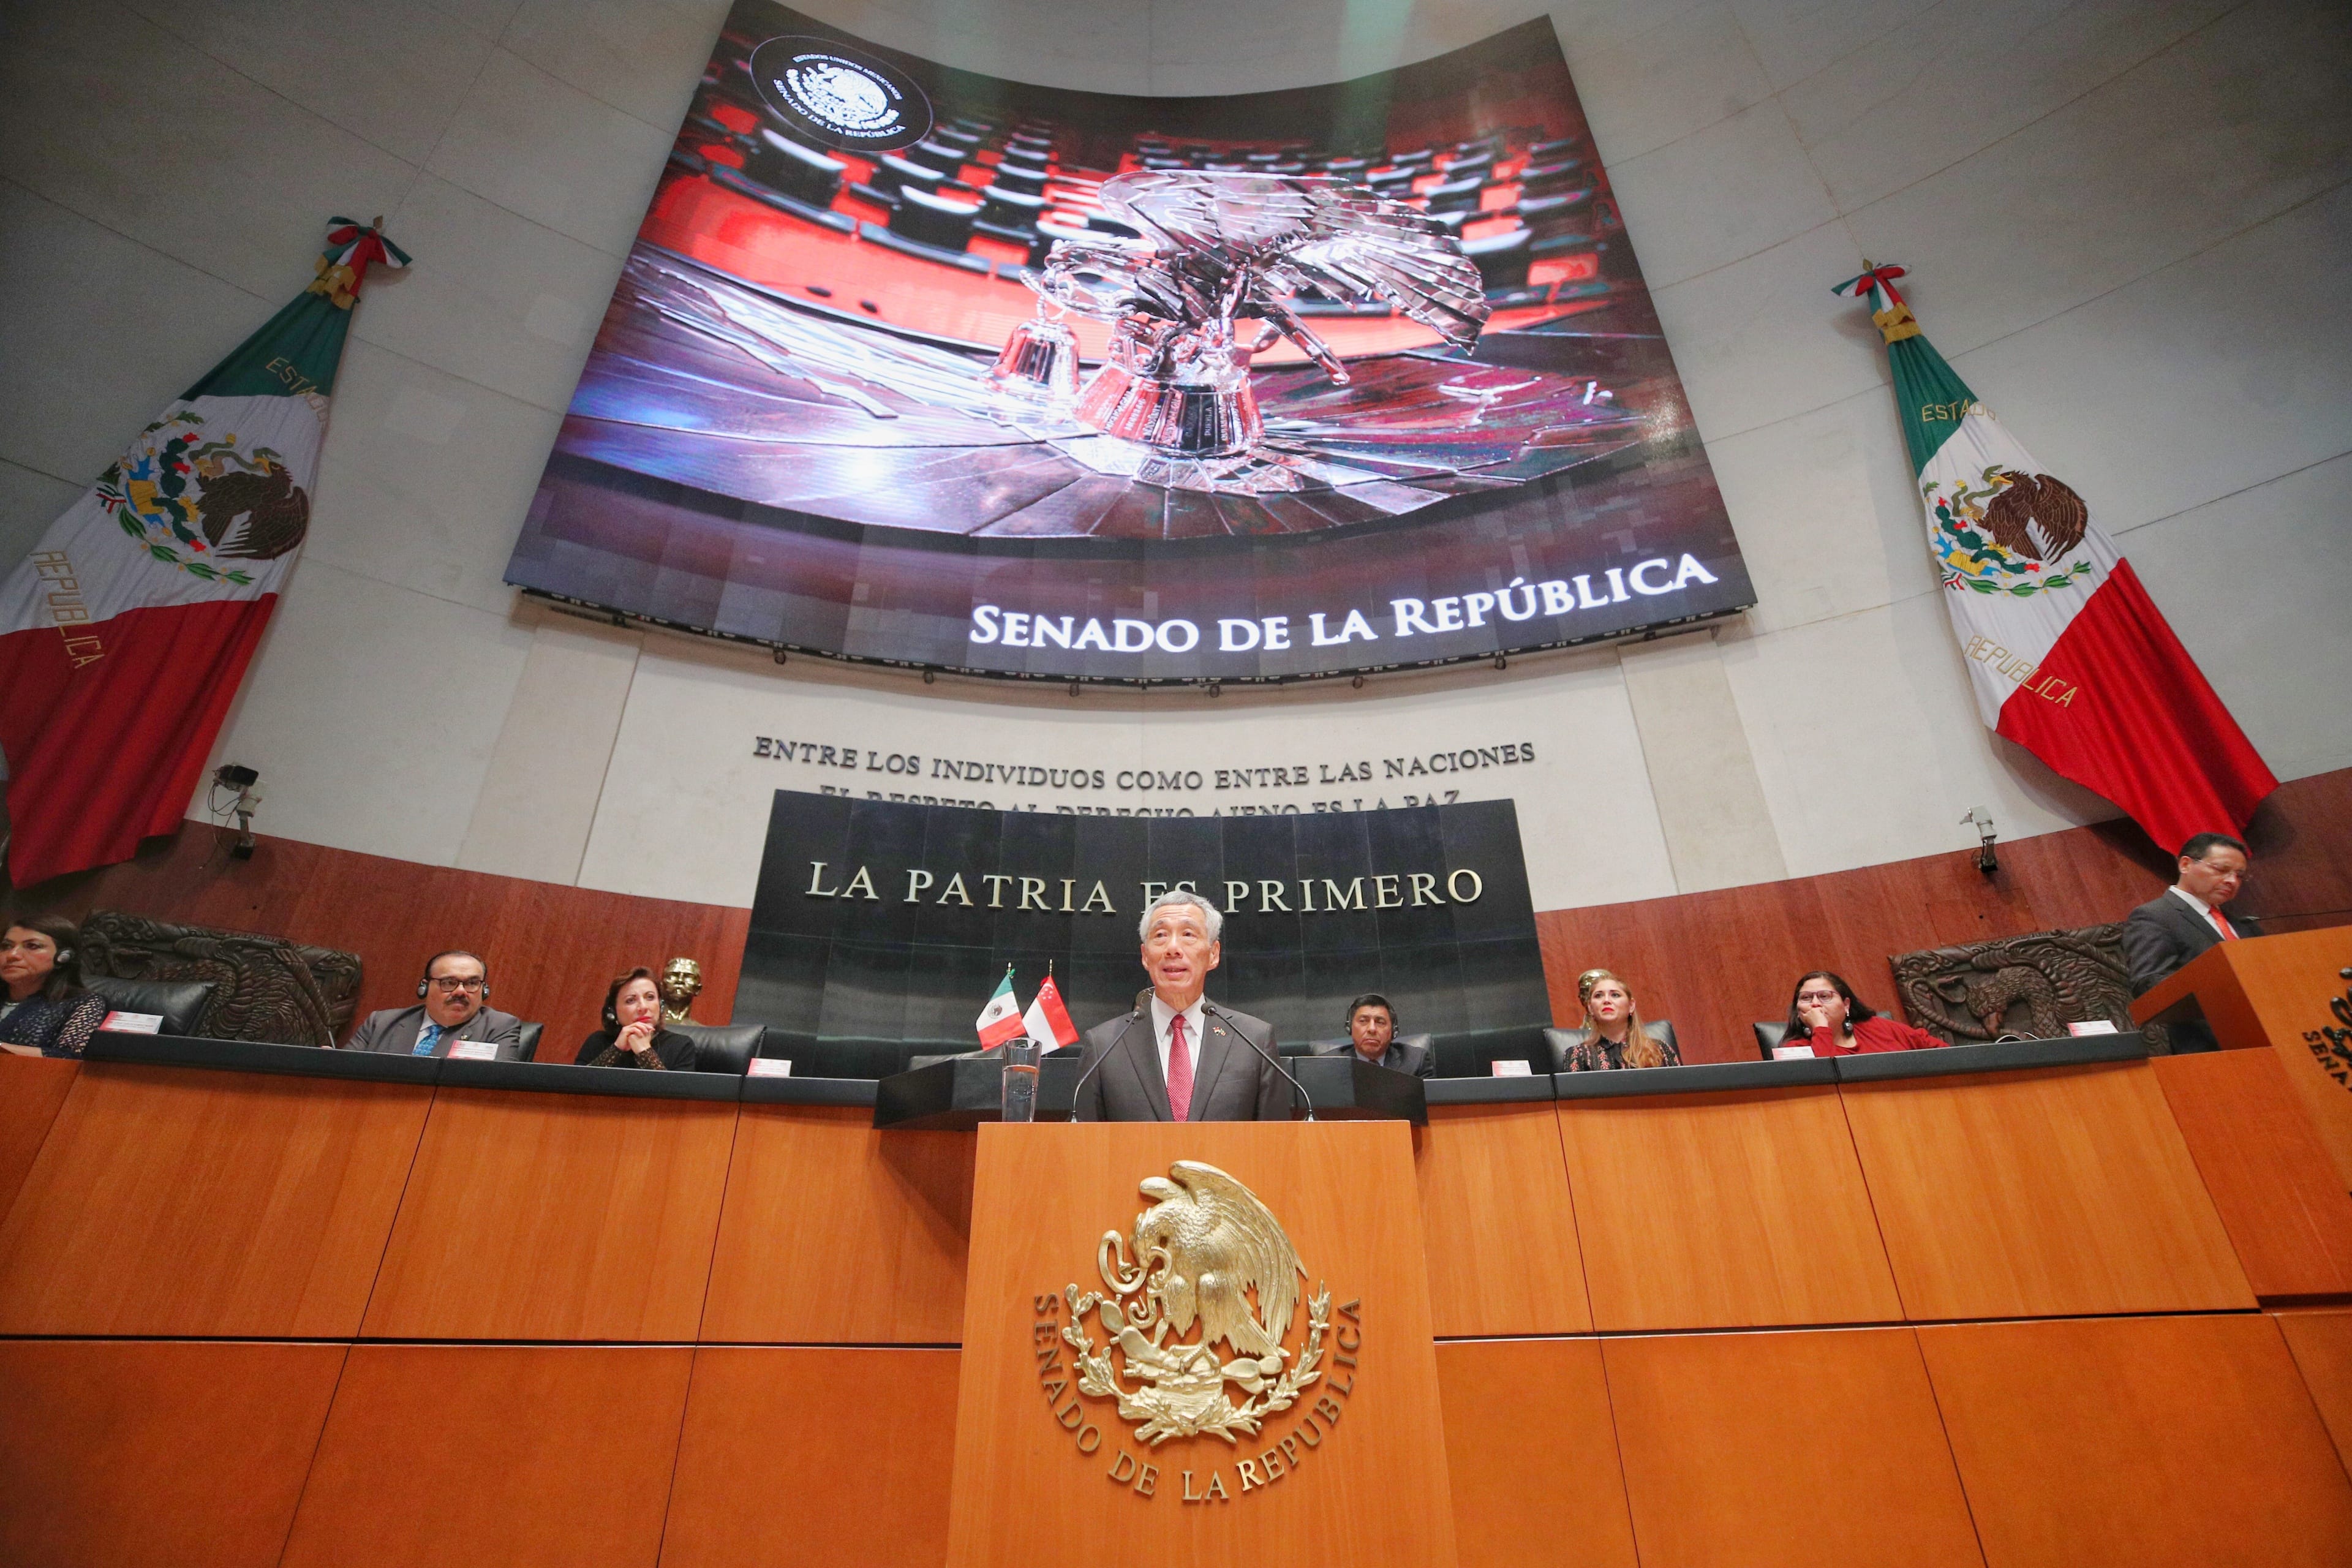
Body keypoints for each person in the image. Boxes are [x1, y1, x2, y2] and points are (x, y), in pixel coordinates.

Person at [1071, 890, 1288, 1121]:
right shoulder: (1104, 1045)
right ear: (1145, 956)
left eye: (1188, 934)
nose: (1172, 948)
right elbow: (1082, 1147)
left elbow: (1278, 1146)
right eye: (1161, 935)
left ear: (1213, 954)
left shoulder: (1254, 1040)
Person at [2120, 832, 2261, 996]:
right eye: (2222, 870)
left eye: (2239, 875)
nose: (2233, 881)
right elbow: (2149, 983)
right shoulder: (2153, 916)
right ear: (2186, 865)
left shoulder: (2242, 924)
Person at [346, 950, 526, 1058]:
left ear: (484, 991)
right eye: (448, 982)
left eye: (472, 983)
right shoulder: (382, 1022)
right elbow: (345, 1070)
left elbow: (493, 1084)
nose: (461, 992)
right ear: (424, 987)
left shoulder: (499, 1027)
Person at [0, 916, 108, 1058]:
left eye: (32, 946)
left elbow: (67, 1057)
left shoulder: (83, 1003)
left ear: (64, 956)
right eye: (7, 946)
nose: (12, 955)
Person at [1781, 970, 1944, 1057]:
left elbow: (1943, 1053)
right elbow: (1824, 1085)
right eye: (1806, 998)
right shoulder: (1794, 1050)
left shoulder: (1879, 1027)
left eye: (1825, 996)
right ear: (1798, 1010)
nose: (1815, 1004)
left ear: (1846, 1005)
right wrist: (1821, 1029)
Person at [1555, 968, 1680, 1071]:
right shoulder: (1578, 1055)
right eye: (1599, 996)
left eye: (1615, 995)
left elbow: (1684, 1095)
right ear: (1591, 1009)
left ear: (1631, 1006)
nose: (1606, 1000)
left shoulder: (1660, 1049)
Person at [576, 967, 698, 1071]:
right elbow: (575, 1088)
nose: (643, 1007)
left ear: (661, 1006)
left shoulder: (681, 1046)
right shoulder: (597, 1042)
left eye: (650, 997)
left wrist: (645, 1052)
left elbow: (674, 1095)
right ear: (613, 1012)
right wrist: (616, 1049)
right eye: (631, 1000)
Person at [1312, 992, 1435, 1077]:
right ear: (1350, 1028)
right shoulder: (1328, 1064)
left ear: (1394, 1031)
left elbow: (1430, 1111)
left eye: (1380, 1022)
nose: (1372, 1029)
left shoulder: (1416, 1062)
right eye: (1363, 1021)